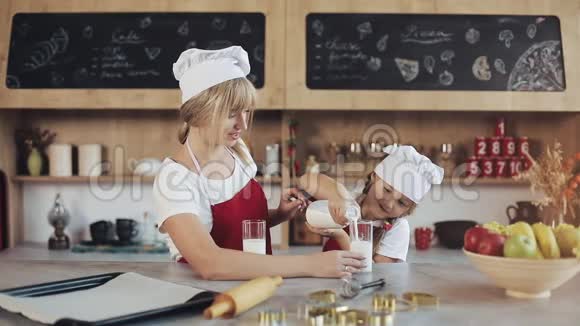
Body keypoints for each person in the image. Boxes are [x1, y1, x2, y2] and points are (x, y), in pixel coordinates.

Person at [153, 46, 364, 280]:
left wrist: (278, 215)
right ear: (199, 112)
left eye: (246, 111)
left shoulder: (238, 151)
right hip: (206, 299)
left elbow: (242, 228)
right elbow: (210, 263)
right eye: (232, 113)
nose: (242, 124)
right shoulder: (174, 179)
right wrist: (311, 264)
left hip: (259, 287)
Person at [299, 145, 444, 263]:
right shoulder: (350, 201)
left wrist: (340, 235)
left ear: (407, 210)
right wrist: (341, 198)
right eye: (387, 190)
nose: (389, 203)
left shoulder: (398, 229)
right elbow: (306, 180)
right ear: (374, 176)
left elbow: (376, 274)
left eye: (401, 202)